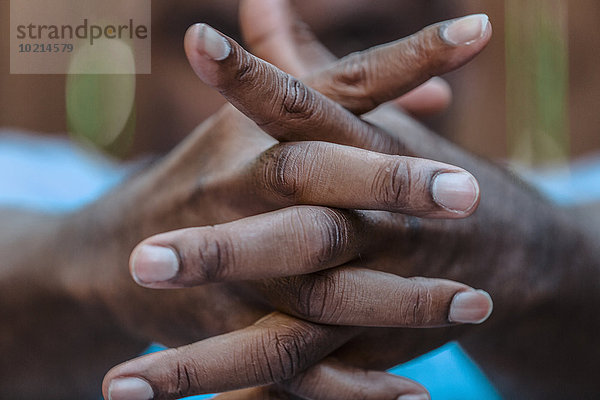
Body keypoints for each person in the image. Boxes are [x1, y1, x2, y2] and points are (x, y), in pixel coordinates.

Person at [0, 2, 598, 400]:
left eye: (361, 38)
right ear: (156, 52)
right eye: (228, 49)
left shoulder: (565, 208)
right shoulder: (39, 188)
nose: (293, 93)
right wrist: (87, 257)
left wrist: (537, 255)